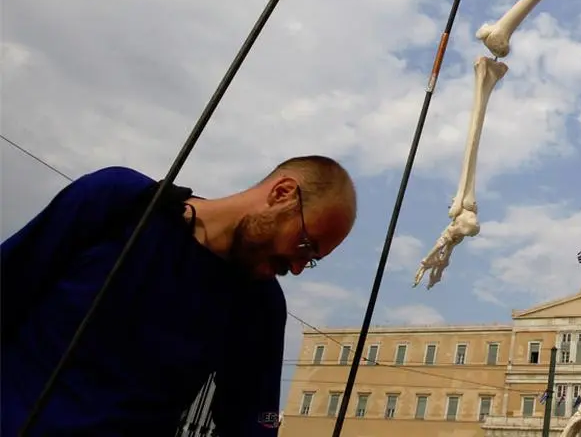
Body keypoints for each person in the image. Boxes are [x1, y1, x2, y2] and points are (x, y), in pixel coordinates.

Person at [1, 155, 357, 436]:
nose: (296, 267)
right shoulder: (120, 202)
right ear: (281, 194)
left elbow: (252, 422)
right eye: (306, 246)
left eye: (311, 261)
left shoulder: (260, 305)